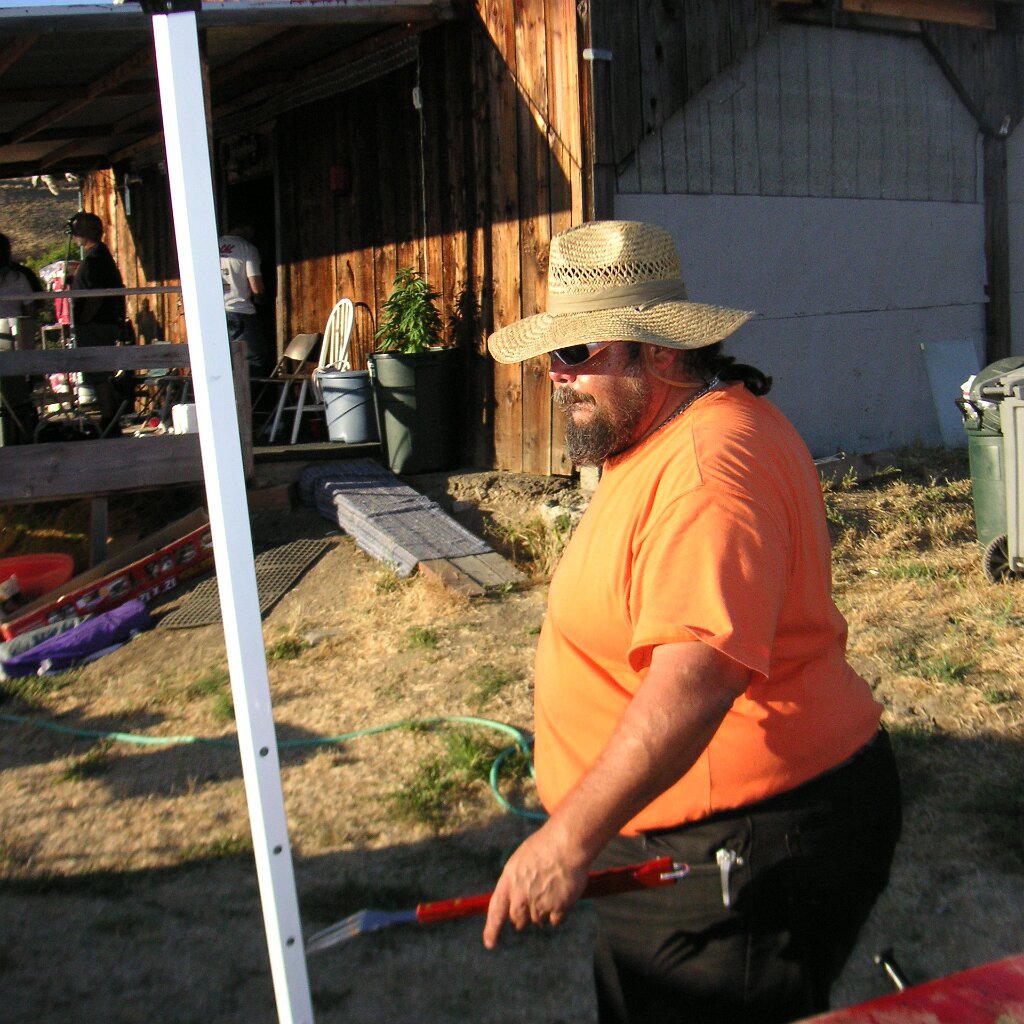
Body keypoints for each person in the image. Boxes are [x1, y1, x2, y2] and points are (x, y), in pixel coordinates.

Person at [482, 220, 902, 1024]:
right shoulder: (665, 439)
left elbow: (697, 677)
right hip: (703, 845)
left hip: (741, 846)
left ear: (662, 355)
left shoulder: (707, 470)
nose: (555, 377)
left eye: (578, 355)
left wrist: (567, 841)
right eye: (551, 356)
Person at [68, 211, 128, 430]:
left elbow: (96, 295)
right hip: (99, 324)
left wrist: (84, 320)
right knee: (99, 374)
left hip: (96, 326)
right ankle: (110, 414)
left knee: (98, 374)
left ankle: (109, 418)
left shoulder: (95, 259)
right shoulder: (98, 256)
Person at [219, 222, 267, 378]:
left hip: (217, 313)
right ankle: (246, 400)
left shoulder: (213, 244)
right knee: (254, 358)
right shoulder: (247, 249)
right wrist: (260, 299)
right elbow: (256, 287)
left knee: (223, 359)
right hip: (241, 311)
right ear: (246, 227)